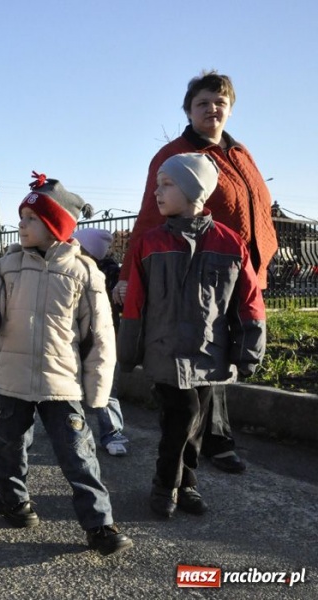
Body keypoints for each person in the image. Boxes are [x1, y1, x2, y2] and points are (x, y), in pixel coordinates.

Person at [0, 173, 133, 558]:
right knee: (10, 447)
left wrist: (98, 392)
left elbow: (101, 336)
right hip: (10, 380)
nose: (21, 224)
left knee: (79, 454)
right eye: (21, 217)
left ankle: (99, 524)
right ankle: (12, 501)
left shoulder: (84, 272)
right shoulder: (5, 267)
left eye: (30, 218)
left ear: (55, 225)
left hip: (62, 384)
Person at [114, 71, 278, 474]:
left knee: (224, 349)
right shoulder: (177, 155)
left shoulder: (240, 153)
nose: (213, 109)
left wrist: (260, 259)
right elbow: (151, 214)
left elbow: (256, 207)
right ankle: (205, 442)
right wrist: (126, 274)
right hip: (194, 270)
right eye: (203, 102)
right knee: (202, 351)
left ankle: (206, 437)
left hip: (237, 268)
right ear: (188, 109)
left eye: (220, 102)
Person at [118, 153, 266, 518]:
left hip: (207, 354)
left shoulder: (231, 243)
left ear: (194, 190)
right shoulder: (149, 243)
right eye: (158, 185)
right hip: (163, 351)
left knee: (193, 423)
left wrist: (248, 350)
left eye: (167, 184)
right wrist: (129, 351)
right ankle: (164, 482)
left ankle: (187, 484)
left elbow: (247, 301)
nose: (157, 192)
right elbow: (135, 302)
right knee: (182, 415)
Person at [72, 228, 130, 457]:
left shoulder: (111, 274)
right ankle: (71, 428)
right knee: (70, 385)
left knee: (106, 387)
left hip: (105, 338)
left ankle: (113, 433)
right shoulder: (69, 270)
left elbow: (123, 304)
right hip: (74, 337)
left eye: (78, 246)